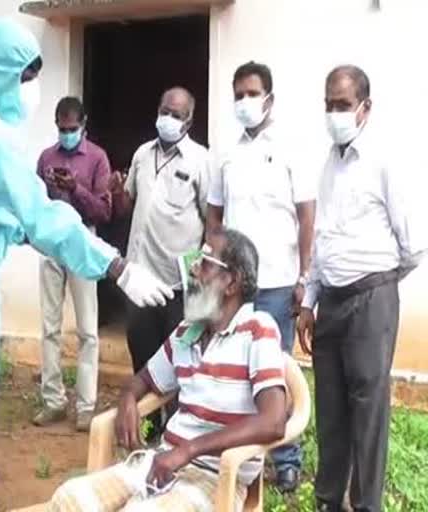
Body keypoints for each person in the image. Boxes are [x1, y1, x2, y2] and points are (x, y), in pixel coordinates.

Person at [0, 19, 173, 512]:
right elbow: (40, 215)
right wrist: (117, 266)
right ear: (4, 74)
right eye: (27, 76)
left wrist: (33, 232)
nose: (33, 89)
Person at [44, 228, 288, 511]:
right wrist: (127, 400)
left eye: (205, 263)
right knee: (67, 499)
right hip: (161, 463)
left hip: (215, 477)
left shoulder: (258, 329)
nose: (193, 270)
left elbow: (274, 421)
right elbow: (143, 380)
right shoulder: (188, 331)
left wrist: (189, 450)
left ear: (231, 281)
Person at [297, 66, 426, 512]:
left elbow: (413, 244)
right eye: (329, 104)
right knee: (330, 410)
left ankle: (367, 505)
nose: (335, 113)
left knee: (368, 413)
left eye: (343, 105)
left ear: (365, 108)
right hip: (330, 303)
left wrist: (377, 281)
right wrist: (310, 301)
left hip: (371, 300)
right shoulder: (329, 162)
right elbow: (324, 240)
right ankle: (329, 502)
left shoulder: (384, 160)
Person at [206, 61, 314, 491]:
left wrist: (304, 277)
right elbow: (214, 212)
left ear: (269, 98)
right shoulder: (226, 152)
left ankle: (285, 457)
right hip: (234, 286)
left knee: (277, 368)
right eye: (238, 95)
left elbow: (307, 216)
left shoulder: (290, 147)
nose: (244, 102)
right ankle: (236, 448)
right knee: (233, 367)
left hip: (276, 281)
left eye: (251, 93)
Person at [123, 87, 211, 436]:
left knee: (180, 361)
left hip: (179, 285)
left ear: (189, 120)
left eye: (177, 115)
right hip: (140, 279)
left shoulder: (201, 161)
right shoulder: (142, 155)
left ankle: (177, 430)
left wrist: (203, 269)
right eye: (165, 111)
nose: (169, 119)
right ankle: (147, 426)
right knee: (142, 356)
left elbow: (212, 220)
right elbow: (129, 199)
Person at [33, 96, 112, 432]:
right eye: (62, 129)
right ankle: (53, 400)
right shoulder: (46, 158)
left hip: (82, 243)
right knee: (49, 328)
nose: (67, 134)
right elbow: (34, 203)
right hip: (51, 245)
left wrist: (75, 188)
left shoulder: (96, 158)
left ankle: (85, 405)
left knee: (88, 331)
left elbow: (103, 211)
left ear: (84, 125)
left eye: (72, 129)